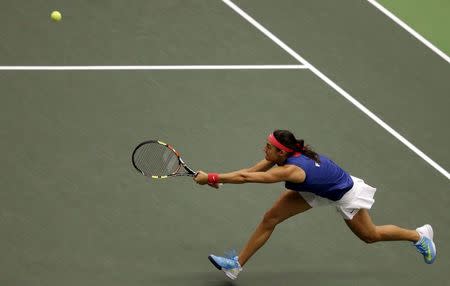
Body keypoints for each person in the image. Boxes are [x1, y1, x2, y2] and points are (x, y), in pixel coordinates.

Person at [193, 129, 436, 280]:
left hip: (345, 194)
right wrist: (218, 180)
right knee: (271, 218)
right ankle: (236, 265)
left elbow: (248, 178)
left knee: (370, 236)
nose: (264, 149)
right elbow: (249, 172)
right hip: (316, 189)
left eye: (269, 148)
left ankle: (419, 236)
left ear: (281, 153)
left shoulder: (293, 170)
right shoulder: (284, 156)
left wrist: (211, 177)